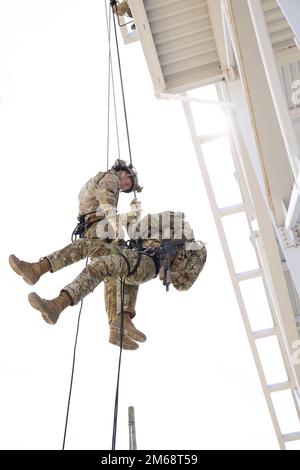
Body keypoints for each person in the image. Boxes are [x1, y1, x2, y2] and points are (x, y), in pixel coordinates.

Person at [9, 212, 207, 350]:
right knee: (85, 245)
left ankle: (57, 306)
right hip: (132, 254)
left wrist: (169, 273)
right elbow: (137, 230)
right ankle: (36, 269)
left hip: (149, 263)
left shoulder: (195, 248)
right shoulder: (166, 223)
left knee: (102, 266)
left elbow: (184, 284)